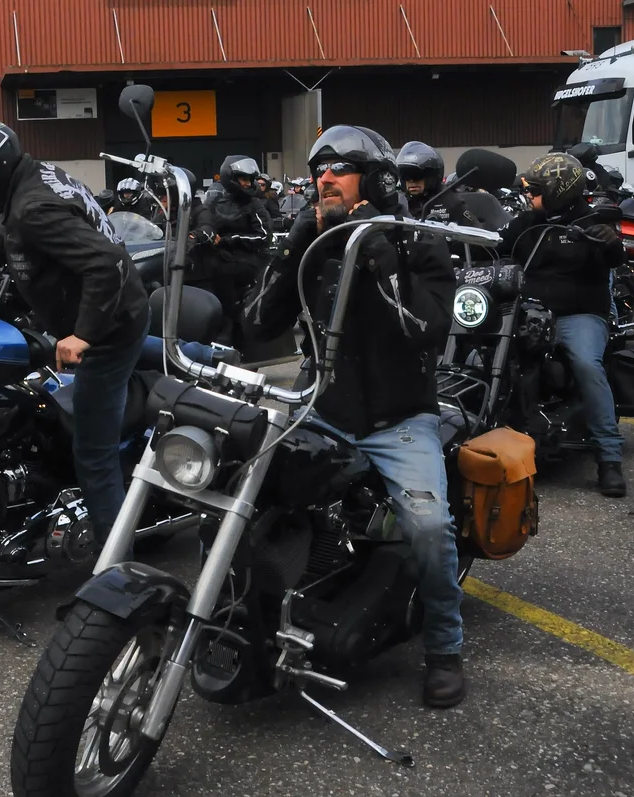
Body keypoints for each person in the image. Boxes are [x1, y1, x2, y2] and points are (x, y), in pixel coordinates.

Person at [243, 125, 466, 708]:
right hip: (320, 409)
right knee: (238, 497)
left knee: (429, 528)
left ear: (375, 178)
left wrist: (379, 258)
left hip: (399, 419)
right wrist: (297, 243)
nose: (324, 177)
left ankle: (445, 646)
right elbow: (260, 324)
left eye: (340, 167)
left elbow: (426, 330)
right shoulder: (316, 242)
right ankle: (244, 624)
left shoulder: (418, 241)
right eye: (320, 168)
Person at [0, 118, 149, 552]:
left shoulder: (34, 207)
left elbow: (107, 264)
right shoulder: (31, 182)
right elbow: (6, 236)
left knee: (93, 456)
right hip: (106, 311)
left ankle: (117, 571)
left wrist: (84, 336)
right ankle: (189, 353)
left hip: (110, 327)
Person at [500, 152, 628, 496]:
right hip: (525, 311)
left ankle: (609, 458)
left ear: (559, 189)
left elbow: (616, 257)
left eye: (537, 189)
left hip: (578, 315)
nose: (529, 194)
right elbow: (496, 246)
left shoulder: (592, 223)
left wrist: (611, 242)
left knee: (587, 364)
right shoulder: (526, 223)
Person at [188, 155, 271, 346]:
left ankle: (227, 325)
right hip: (217, 254)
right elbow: (202, 222)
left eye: (249, 179)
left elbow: (263, 236)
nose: (248, 183)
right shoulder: (214, 202)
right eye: (243, 178)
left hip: (246, 258)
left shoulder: (254, 205)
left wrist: (227, 241)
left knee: (221, 272)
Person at [397, 141, 479, 226]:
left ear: (432, 176)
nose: (411, 181)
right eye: (406, 174)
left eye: (417, 175)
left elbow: (476, 233)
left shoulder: (451, 202)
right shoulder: (398, 203)